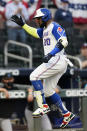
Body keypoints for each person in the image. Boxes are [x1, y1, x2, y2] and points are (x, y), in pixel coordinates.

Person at [10, 8, 75, 128]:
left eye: (38, 18)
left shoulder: (55, 26)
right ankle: (66, 113)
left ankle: (43, 107)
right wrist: (23, 25)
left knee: (34, 76)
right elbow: (36, 33)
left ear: (45, 17)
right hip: (55, 61)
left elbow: (64, 42)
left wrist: (51, 54)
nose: (36, 21)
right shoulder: (45, 29)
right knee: (49, 91)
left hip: (57, 59)